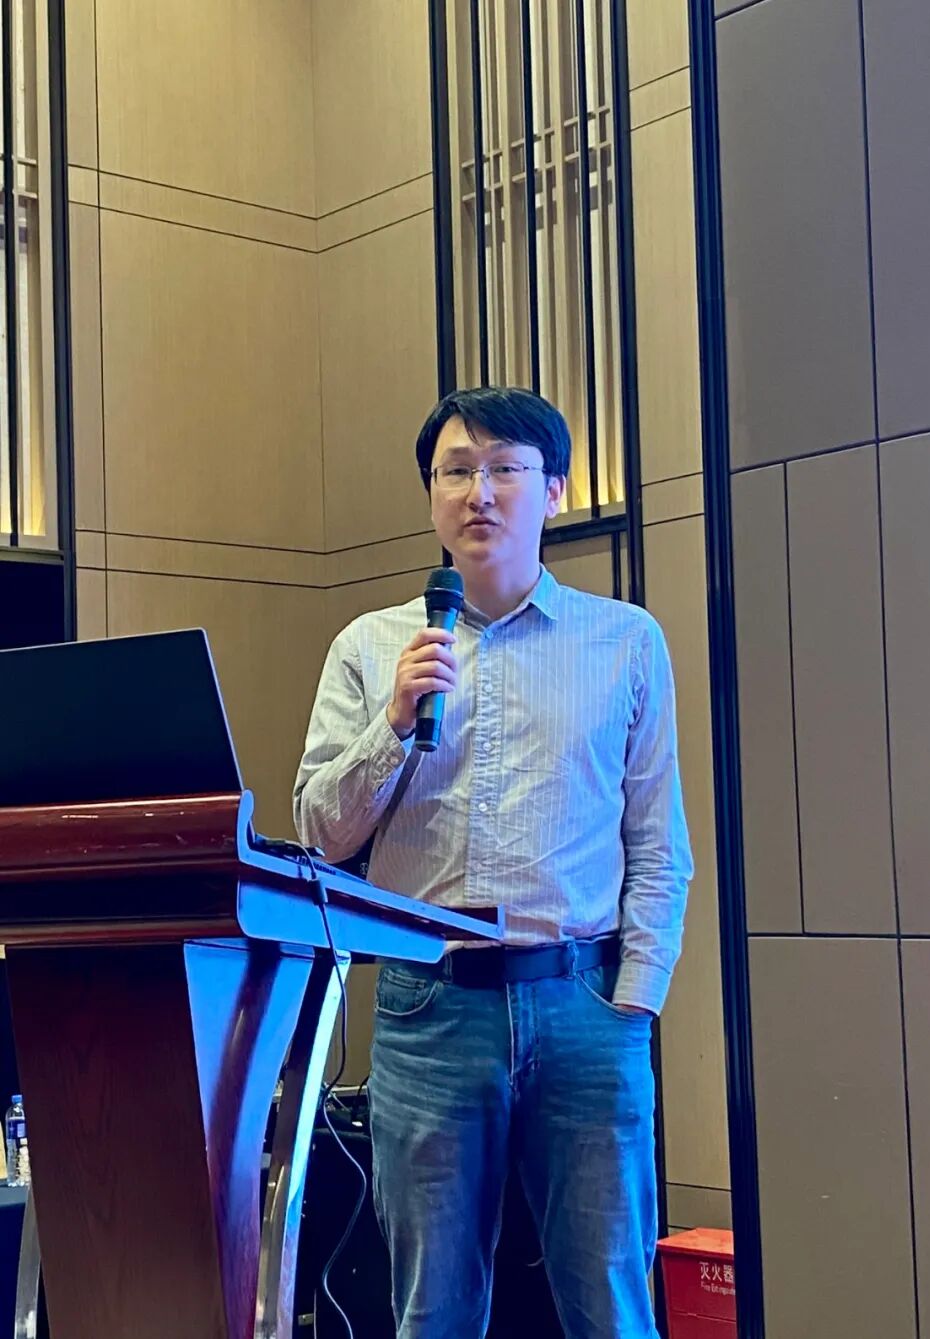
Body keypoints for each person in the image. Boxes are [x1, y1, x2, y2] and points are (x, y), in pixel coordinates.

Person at [294, 386, 693, 1339]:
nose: (479, 491)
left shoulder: (626, 641)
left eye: (505, 468)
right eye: (456, 471)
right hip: (429, 1008)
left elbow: (657, 840)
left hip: (586, 1002)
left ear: (553, 490)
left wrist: (635, 1000)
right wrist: (395, 722)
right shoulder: (371, 647)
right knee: (432, 1308)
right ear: (432, 495)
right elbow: (318, 833)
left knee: (612, 1303)